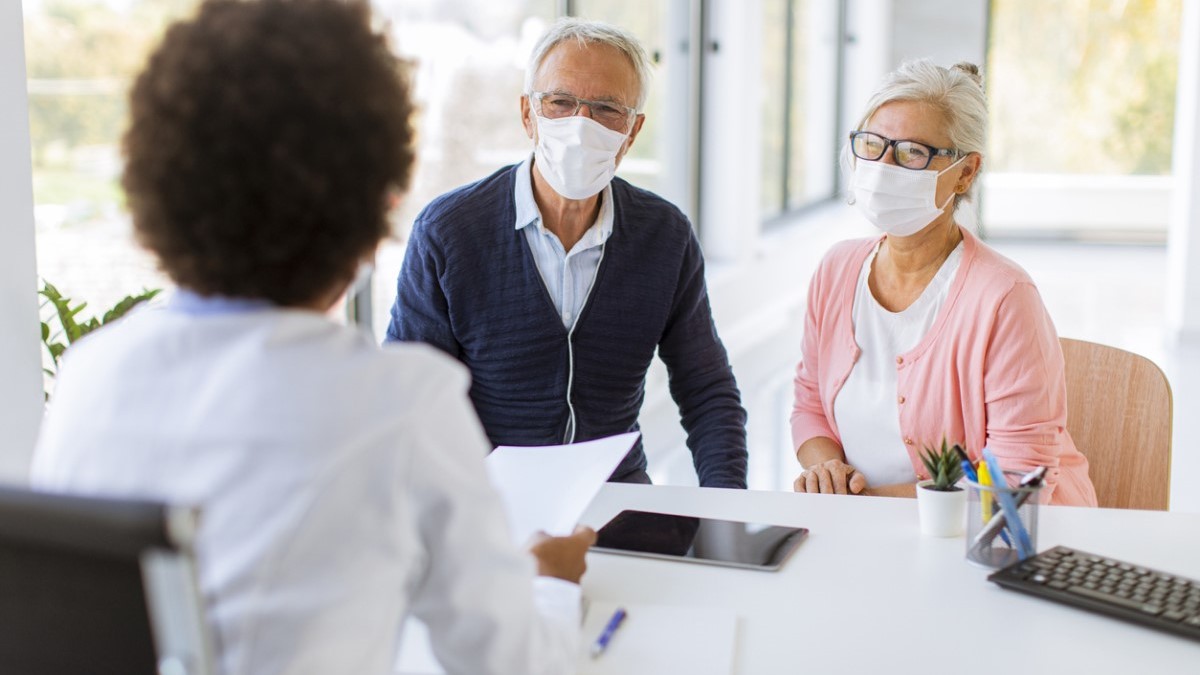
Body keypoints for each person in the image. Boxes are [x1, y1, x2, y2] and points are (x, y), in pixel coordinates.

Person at [30, 1, 595, 673]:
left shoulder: (91, 376)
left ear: (160, 180)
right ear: (373, 209)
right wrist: (553, 585)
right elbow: (514, 662)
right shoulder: (401, 404)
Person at [385, 18, 748, 488]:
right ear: (527, 114)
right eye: (559, 102)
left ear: (633, 131)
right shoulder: (449, 232)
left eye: (606, 109)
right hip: (485, 501)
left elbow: (707, 390)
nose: (581, 125)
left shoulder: (665, 236)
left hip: (617, 494)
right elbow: (409, 400)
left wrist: (727, 508)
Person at [790, 59, 1097, 506]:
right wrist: (827, 473)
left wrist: (865, 502)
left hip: (999, 541)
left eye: (913, 152)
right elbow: (810, 404)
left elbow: (1016, 481)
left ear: (966, 172)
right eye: (873, 144)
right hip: (863, 525)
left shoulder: (1005, 298)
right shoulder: (836, 270)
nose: (883, 166)